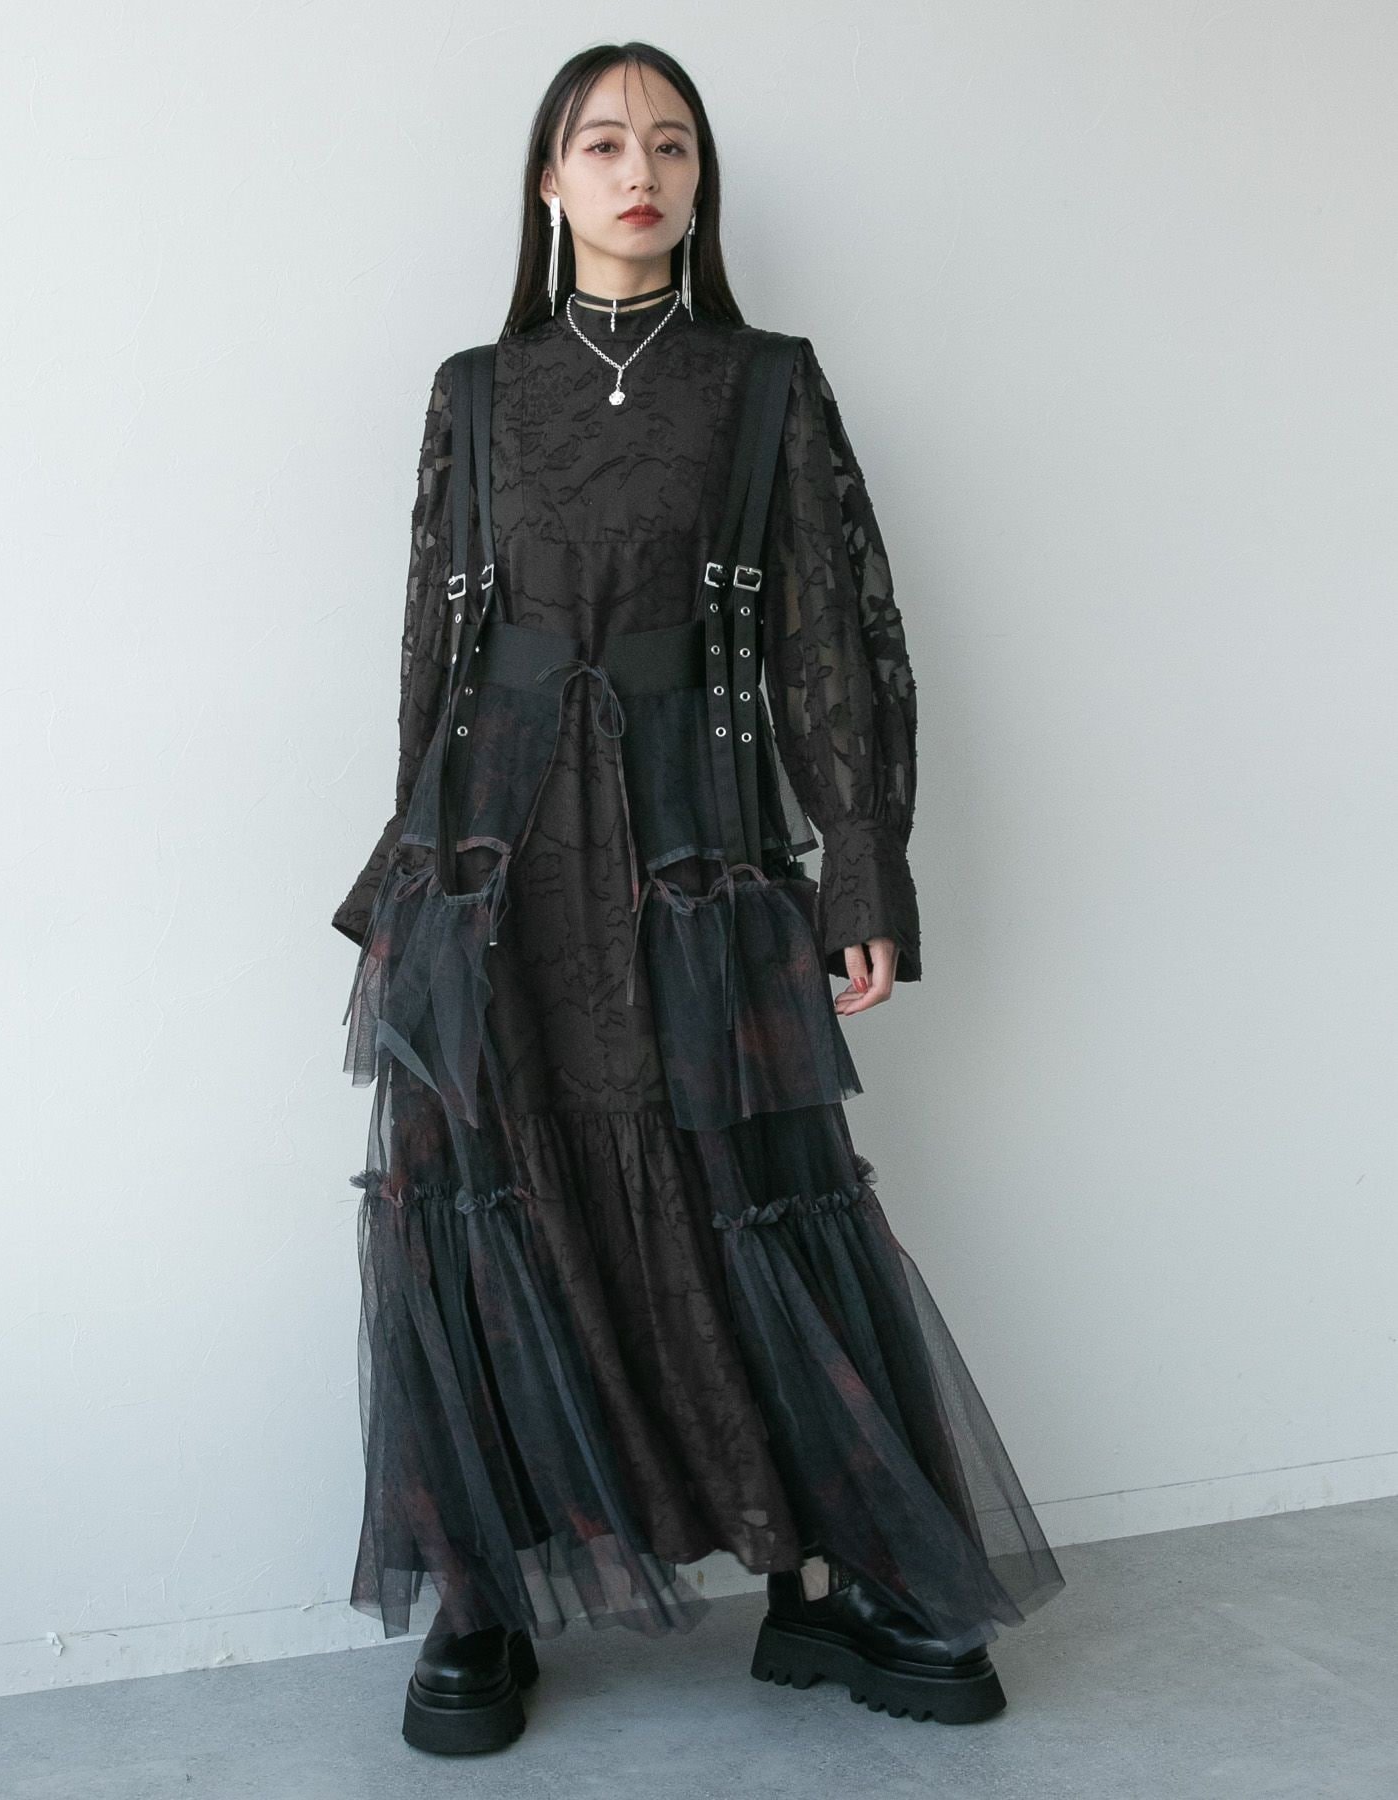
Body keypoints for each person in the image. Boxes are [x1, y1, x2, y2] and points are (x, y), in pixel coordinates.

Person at [332, 42, 1065, 1757]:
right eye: (603, 143)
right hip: (496, 865)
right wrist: (408, 883)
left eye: (670, 144)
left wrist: (861, 859)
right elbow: (433, 652)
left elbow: (836, 638)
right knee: (485, 1191)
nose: (640, 170)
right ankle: (482, 1598)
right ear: (549, 181)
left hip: (692, 846)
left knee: (747, 1184)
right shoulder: (473, 392)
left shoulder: (765, 384)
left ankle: (832, 1580)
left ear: (699, 179)